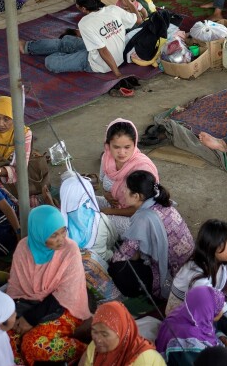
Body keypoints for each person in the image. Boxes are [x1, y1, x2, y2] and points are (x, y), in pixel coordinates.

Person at [6, 205, 91, 365]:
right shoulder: (23, 248)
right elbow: (16, 287)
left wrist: (30, 319)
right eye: (54, 235)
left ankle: (87, 351)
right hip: (28, 304)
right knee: (5, 336)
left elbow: (66, 296)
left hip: (65, 309)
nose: (61, 239)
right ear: (39, 233)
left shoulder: (70, 250)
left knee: (32, 343)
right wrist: (14, 314)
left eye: (63, 231)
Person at [109, 171, 193, 299]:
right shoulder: (162, 202)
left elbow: (123, 255)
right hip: (189, 268)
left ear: (136, 196)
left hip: (171, 279)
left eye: (126, 188)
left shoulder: (144, 218)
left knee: (117, 268)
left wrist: (108, 261)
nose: (122, 191)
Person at [22, 0, 142, 74]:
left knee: (51, 61)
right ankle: (27, 47)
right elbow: (139, 19)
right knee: (67, 40)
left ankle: (32, 48)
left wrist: (117, 73)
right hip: (114, 56)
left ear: (83, 8)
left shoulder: (85, 23)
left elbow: (103, 51)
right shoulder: (113, 9)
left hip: (101, 64)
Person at [58, 173, 121, 303]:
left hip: (71, 274)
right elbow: (112, 240)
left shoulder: (58, 226)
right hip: (101, 266)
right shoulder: (101, 219)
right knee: (111, 251)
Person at [99, 119, 158, 231]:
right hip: (116, 205)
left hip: (140, 218)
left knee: (97, 220)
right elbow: (103, 183)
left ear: (134, 144)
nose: (122, 153)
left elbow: (141, 207)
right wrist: (107, 195)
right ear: (108, 145)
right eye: (116, 147)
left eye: (127, 147)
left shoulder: (142, 168)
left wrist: (110, 211)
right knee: (85, 202)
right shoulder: (107, 159)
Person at [80, 301, 165, 366]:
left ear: (122, 334)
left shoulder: (144, 360)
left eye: (104, 334)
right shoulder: (96, 347)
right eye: (94, 331)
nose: (97, 339)